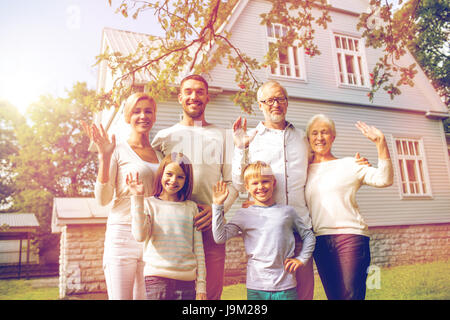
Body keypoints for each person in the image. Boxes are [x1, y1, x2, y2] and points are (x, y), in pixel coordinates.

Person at [151, 74, 238, 300]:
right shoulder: (164, 137)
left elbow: (234, 182)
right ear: (180, 97)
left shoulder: (223, 136)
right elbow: (155, 182)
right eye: (188, 91)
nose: (194, 96)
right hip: (173, 226)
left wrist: (217, 210)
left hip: (208, 224)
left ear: (208, 97)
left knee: (209, 295)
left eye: (200, 91)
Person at [305, 114, 394, 300]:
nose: (319, 138)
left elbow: (384, 179)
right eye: (314, 133)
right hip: (320, 241)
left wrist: (380, 143)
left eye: (324, 133)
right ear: (308, 138)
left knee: (350, 296)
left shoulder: (350, 164)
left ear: (333, 137)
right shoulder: (303, 171)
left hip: (350, 237)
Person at [82, 92, 159, 300]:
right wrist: (104, 158)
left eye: (148, 111)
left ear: (154, 116)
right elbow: (103, 200)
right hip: (122, 235)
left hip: (152, 236)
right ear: (127, 116)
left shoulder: (159, 154)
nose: (143, 116)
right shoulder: (116, 149)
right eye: (137, 111)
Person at [212, 161, 315, 300]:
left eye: (265, 181)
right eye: (255, 183)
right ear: (247, 187)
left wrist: (301, 259)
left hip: (286, 287)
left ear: (273, 183)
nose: (260, 187)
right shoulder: (244, 214)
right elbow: (219, 237)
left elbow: (308, 235)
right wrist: (218, 206)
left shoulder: (287, 212)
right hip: (256, 288)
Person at [127, 152, 207, 300]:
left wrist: (201, 286)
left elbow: (199, 250)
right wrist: (137, 199)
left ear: (186, 180)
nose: (173, 180)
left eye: (180, 176)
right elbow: (139, 236)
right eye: (169, 174)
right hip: (157, 281)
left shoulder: (191, 208)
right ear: (161, 174)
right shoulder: (149, 204)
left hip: (187, 283)